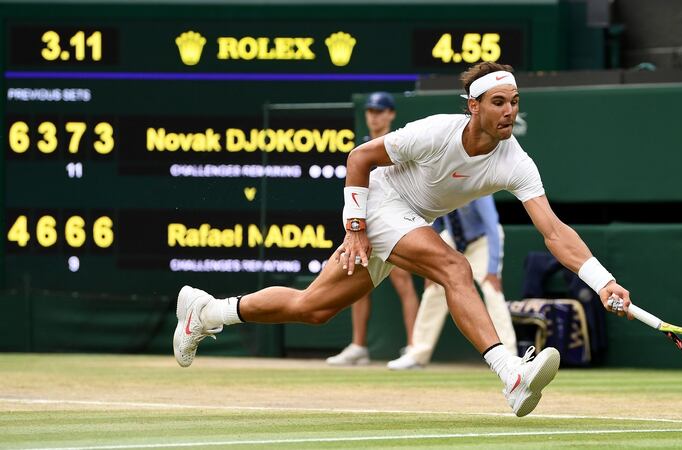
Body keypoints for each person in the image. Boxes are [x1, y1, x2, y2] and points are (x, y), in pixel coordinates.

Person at [173, 62, 632, 418]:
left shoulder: (516, 162)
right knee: (455, 267)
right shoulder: (434, 132)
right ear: (473, 106)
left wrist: (602, 280)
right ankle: (510, 374)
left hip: (412, 219)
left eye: (513, 101)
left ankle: (207, 312)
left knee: (312, 308)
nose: (509, 110)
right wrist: (354, 226)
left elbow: (553, 231)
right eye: (497, 102)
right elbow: (358, 158)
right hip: (379, 204)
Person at [326, 92, 420, 365]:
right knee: (356, 282)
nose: (374, 116)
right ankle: (358, 346)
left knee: (403, 283)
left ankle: (414, 346)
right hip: (362, 224)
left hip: (396, 223)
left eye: (380, 111)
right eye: (370, 111)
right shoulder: (363, 147)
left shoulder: (400, 144)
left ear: (390, 114)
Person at [387, 195, 516, 370]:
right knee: (433, 292)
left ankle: (510, 356)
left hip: (483, 241)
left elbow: (492, 225)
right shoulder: (440, 187)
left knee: (492, 292)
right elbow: (433, 226)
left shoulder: (478, 189)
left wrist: (492, 271)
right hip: (452, 240)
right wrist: (429, 267)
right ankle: (417, 354)